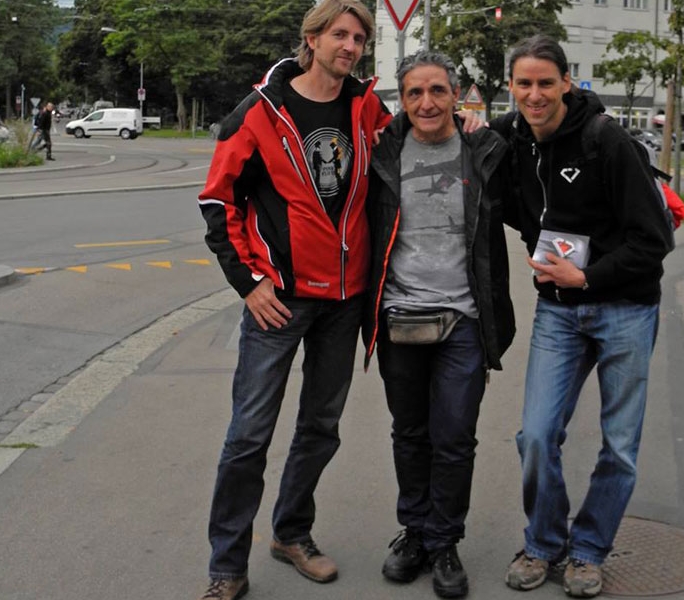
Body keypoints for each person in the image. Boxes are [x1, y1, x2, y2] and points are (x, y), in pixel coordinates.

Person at [195, 1, 390, 599]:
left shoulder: (366, 108)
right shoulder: (259, 112)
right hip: (279, 302)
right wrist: (249, 285)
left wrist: (468, 126)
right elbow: (216, 202)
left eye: (359, 37)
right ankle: (227, 566)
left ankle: (291, 532)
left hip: (345, 301)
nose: (350, 46)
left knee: (320, 427)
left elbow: (417, 138)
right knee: (249, 434)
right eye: (340, 34)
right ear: (312, 38)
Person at [487, 35, 674, 598]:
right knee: (538, 435)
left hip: (626, 308)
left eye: (547, 82)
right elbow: (449, 146)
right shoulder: (510, 139)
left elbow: (654, 239)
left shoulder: (606, 141)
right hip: (560, 312)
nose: (536, 94)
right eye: (525, 83)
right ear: (512, 87)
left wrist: (587, 277)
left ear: (567, 82)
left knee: (618, 444)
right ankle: (544, 541)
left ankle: (588, 549)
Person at [361, 50, 515, 599]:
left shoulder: (484, 150)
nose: (426, 102)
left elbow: (547, 130)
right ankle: (416, 534)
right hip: (399, 315)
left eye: (437, 91)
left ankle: (445, 540)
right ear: (401, 101)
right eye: (413, 93)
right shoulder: (381, 152)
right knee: (410, 433)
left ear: (456, 95)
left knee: (454, 437)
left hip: (465, 320)